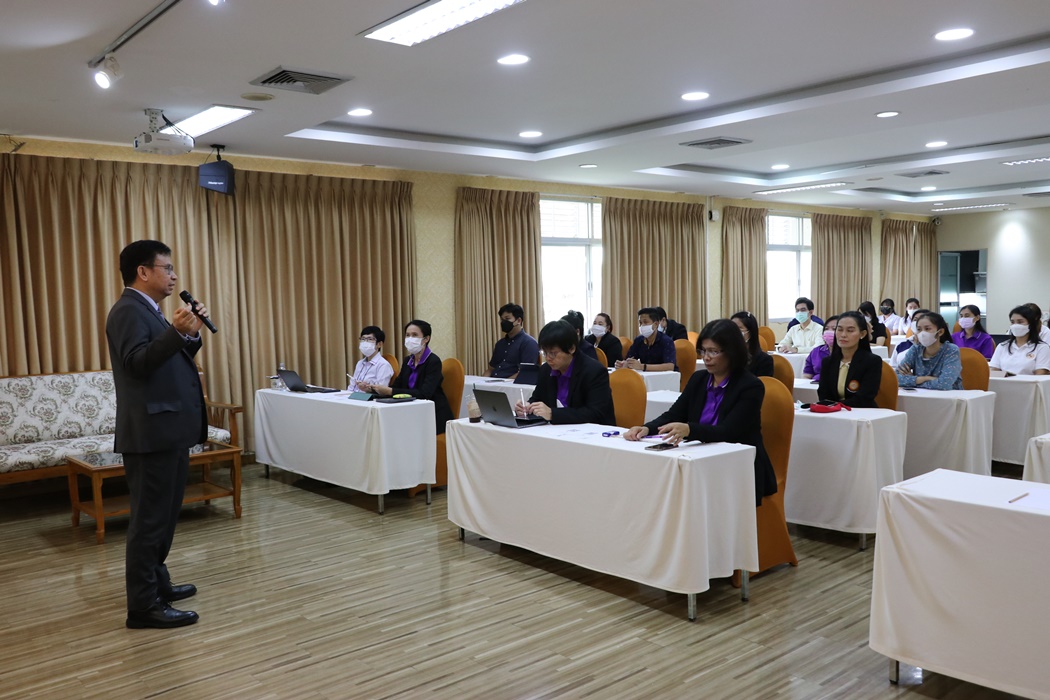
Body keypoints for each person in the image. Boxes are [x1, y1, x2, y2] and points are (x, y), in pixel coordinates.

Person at [106, 240, 209, 629]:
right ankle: (143, 606)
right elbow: (136, 364)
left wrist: (189, 334)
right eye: (167, 268)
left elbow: (167, 360)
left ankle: (157, 583)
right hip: (151, 434)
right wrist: (175, 333)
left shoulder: (149, 309)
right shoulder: (127, 311)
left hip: (168, 430)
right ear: (143, 271)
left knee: (164, 517)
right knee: (149, 521)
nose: (174, 276)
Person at [623, 319, 777, 506]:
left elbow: (728, 431)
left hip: (737, 466)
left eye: (713, 351)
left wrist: (689, 429)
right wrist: (647, 428)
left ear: (732, 352)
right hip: (699, 458)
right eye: (703, 351)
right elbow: (674, 414)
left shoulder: (750, 386)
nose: (706, 358)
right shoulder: (699, 379)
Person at [514, 320, 615, 425]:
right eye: (544, 352)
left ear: (571, 348)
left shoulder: (594, 371)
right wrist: (527, 407)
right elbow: (537, 398)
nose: (548, 358)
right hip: (557, 430)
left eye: (553, 353)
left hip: (593, 431)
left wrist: (553, 414)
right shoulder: (546, 370)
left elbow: (595, 413)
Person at [369, 320, 456, 431]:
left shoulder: (433, 361)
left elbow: (424, 393)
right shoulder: (407, 361)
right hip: (410, 411)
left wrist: (390, 391)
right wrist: (374, 389)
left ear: (426, 339)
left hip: (432, 416)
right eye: (407, 335)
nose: (410, 339)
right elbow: (396, 386)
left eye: (414, 335)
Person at [817, 310, 883, 408]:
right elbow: (823, 394)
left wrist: (837, 406)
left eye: (850, 330)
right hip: (833, 412)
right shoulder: (828, 362)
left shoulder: (872, 361)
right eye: (839, 329)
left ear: (862, 334)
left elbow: (865, 397)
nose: (843, 335)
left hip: (862, 412)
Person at [896, 312, 963, 390]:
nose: (922, 333)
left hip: (949, 396)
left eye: (927, 329)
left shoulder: (951, 350)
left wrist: (913, 381)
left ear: (940, 332)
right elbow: (895, 377)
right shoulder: (916, 349)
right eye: (919, 329)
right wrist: (923, 378)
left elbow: (944, 384)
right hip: (921, 395)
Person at [989, 305, 1050, 377]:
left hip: (1029, 384)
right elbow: (994, 371)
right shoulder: (1002, 346)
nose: (1015, 325)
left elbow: (1040, 374)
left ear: (1030, 324)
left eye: (1020, 322)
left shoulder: (1042, 347)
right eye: (1012, 322)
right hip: (1003, 383)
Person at [484, 302, 539, 379]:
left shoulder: (529, 343)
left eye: (507, 319)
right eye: (502, 320)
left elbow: (525, 372)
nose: (503, 322)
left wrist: (503, 383)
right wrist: (480, 381)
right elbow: (490, 369)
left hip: (511, 384)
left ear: (518, 321)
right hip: (493, 382)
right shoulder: (500, 344)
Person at [617, 307, 677, 371]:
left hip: (665, 376)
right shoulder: (639, 340)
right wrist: (624, 364)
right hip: (646, 375)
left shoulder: (666, 341)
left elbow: (670, 366)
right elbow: (629, 359)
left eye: (645, 322)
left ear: (656, 324)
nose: (642, 325)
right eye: (640, 323)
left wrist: (642, 367)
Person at [347, 326, 394, 391]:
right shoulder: (360, 363)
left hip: (368, 397)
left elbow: (381, 391)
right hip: (352, 396)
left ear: (379, 344)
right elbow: (351, 387)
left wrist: (368, 388)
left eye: (370, 339)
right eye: (363, 339)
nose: (365, 342)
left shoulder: (383, 365)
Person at [730, 311, 772, 377]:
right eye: (731, 328)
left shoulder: (764, 360)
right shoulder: (726, 356)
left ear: (750, 332)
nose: (733, 332)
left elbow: (762, 382)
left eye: (738, 329)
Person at [803, 315, 838, 380]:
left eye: (834, 329)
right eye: (826, 329)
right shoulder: (816, 351)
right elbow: (807, 375)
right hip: (814, 384)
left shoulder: (847, 353)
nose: (829, 332)